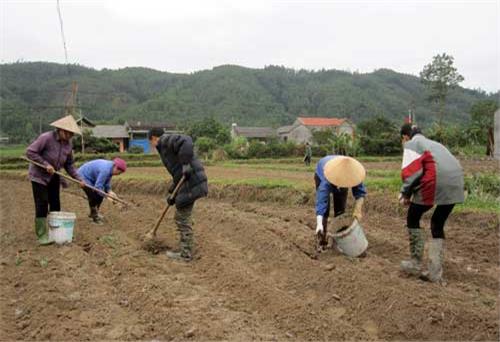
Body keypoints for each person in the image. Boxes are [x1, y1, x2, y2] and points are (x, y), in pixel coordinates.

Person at [399, 124, 464, 284]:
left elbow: (411, 171)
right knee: (437, 223)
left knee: (412, 217)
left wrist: (405, 193)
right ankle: (435, 272)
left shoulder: (411, 144)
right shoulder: (435, 144)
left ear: (405, 137)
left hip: (435, 182)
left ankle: (415, 263)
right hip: (456, 183)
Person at [149, 128, 208, 262]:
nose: (151, 145)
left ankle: (185, 254)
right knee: (182, 215)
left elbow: (186, 140)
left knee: (181, 217)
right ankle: (186, 250)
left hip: (193, 183)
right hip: (190, 183)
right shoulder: (165, 149)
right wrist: (172, 194)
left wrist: (186, 164)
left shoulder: (164, 140)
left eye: (150, 142)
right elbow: (178, 174)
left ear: (153, 138)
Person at [26, 115, 85, 245]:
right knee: (42, 204)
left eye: (72, 134)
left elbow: (69, 164)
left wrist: (79, 179)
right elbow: (30, 152)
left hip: (54, 176)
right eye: (68, 133)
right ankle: (41, 235)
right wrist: (45, 164)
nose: (70, 136)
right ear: (60, 129)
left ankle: (55, 233)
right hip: (39, 176)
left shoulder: (68, 145)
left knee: (55, 204)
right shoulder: (46, 138)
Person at [314, 155, 367, 249]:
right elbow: (321, 200)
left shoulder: (354, 173)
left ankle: (337, 241)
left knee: (340, 210)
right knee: (325, 210)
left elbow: (360, 193)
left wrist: (358, 210)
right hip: (322, 172)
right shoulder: (327, 179)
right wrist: (319, 224)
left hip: (342, 169)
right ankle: (322, 239)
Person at [78, 158, 127, 224]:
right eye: (119, 173)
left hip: (92, 178)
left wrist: (109, 191)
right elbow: (98, 187)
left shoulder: (111, 168)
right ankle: (94, 217)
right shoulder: (105, 170)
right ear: (116, 168)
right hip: (83, 176)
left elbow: (106, 182)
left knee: (99, 196)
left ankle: (94, 213)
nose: (119, 174)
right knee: (94, 196)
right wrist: (108, 197)